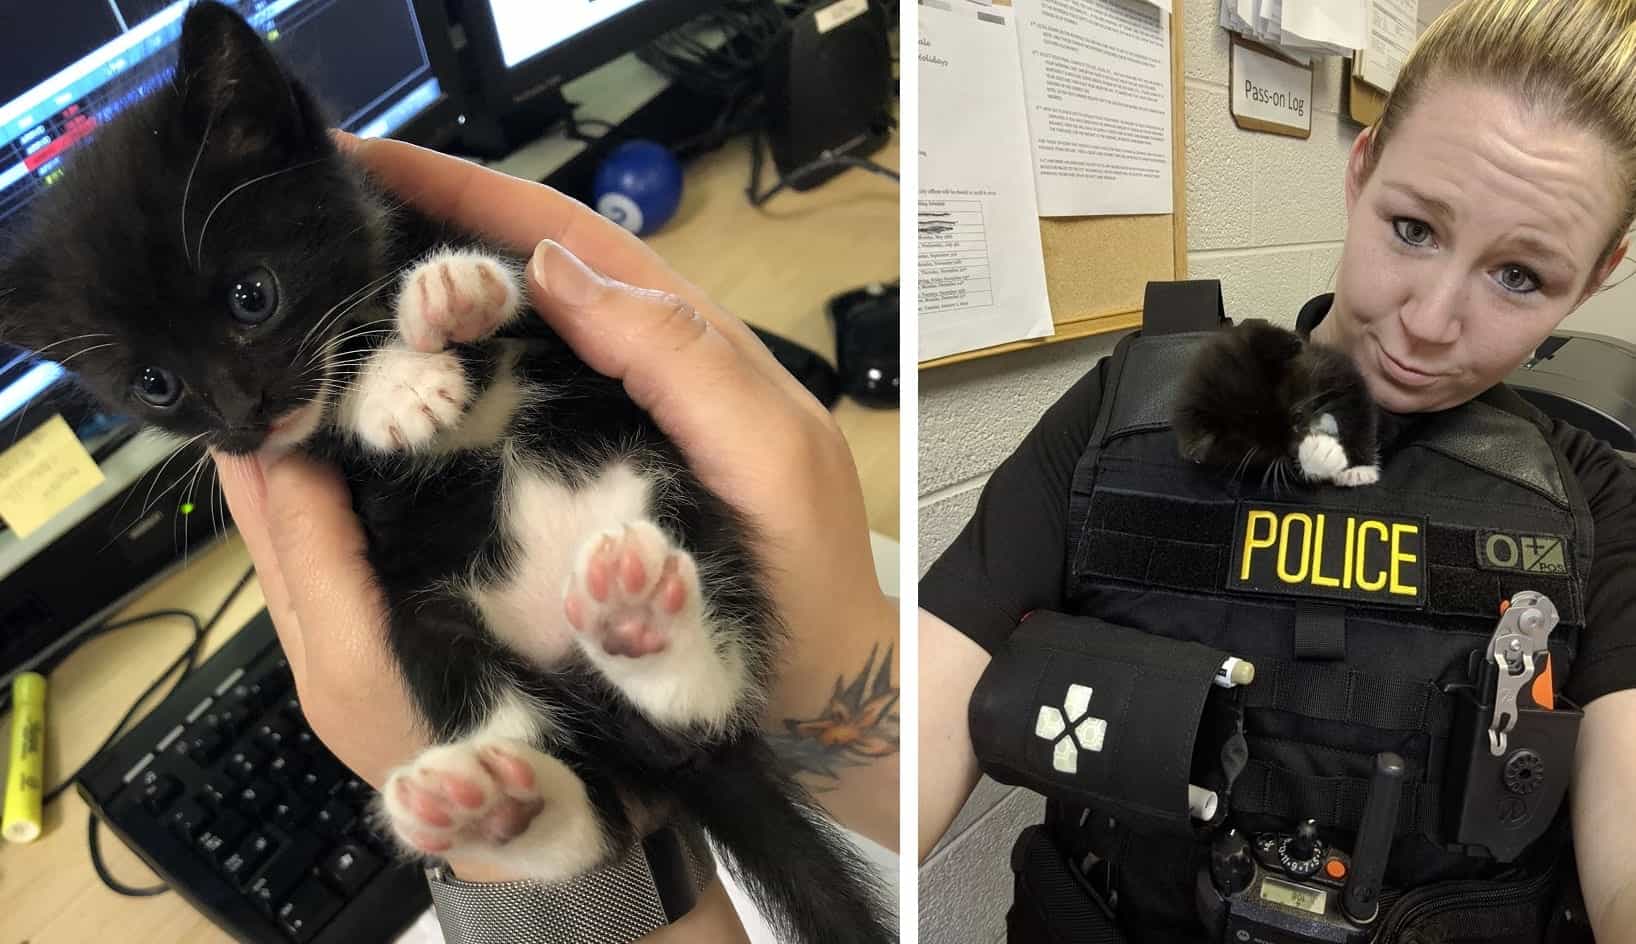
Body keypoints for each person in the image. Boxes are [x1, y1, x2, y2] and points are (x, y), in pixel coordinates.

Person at [920, 1, 1636, 941]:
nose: (1430, 321)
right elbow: (907, 728)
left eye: (1519, 277)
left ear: (1597, 277)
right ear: (1361, 167)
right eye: (1414, 228)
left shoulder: (1594, 501)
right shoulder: (1127, 417)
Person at [214, 132, 900, 942]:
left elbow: (515, 295)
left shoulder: (374, 236)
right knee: (433, 627)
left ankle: (671, 693)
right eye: (159, 388)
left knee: (654, 506)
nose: (230, 396)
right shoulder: (302, 379)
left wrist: (479, 297)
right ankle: (558, 810)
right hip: (509, 593)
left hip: (593, 496)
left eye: (246, 301)